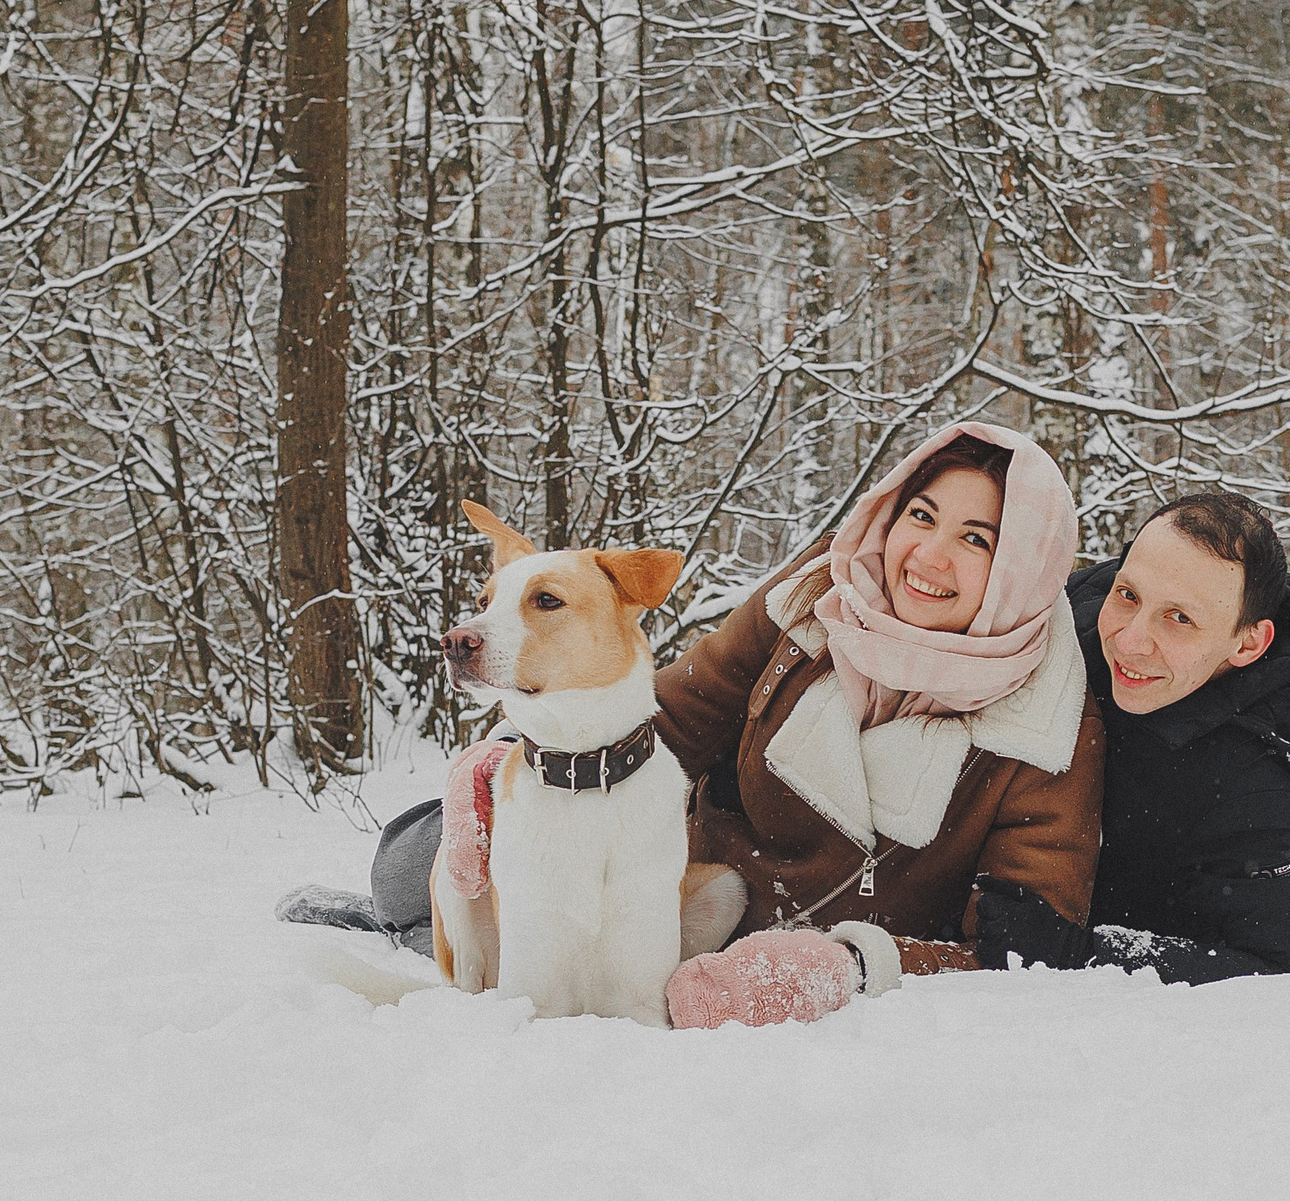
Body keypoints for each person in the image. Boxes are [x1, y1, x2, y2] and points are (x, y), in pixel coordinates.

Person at [285, 422, 1104, 1020]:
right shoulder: (815, 597)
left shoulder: (1045, 719)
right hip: (680, 872)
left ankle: (421, 930)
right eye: (921, 516)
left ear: (1021, 565)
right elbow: (676, 708)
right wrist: (505, 756)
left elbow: (1017, 953)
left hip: (761, 940)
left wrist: (851, 964)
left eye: (977, 538)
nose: (929, 555)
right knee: (411, 862)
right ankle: (410, 921)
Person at [1065, 492, 1290, 983]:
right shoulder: (1058, 641)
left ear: (1247, 642)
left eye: (1180, 619)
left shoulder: (1255, 777)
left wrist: (1082, 949)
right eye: (1128, 594)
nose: (1129, 640)